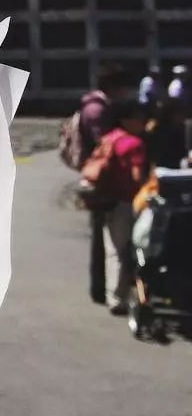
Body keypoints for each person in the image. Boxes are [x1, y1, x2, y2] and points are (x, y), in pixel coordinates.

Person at [79, 67, 136, 305]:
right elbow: (102, 146)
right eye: (124, 88)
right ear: (113, 87)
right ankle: (101, 288)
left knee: (106, 237)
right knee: (105, 239)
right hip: (102, 180)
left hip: (105, 178)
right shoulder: (97, 110)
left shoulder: (99, 106)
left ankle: (104, 287)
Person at [87, 99, 149, 315]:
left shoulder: (109, 138)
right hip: (127, 202)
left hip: (106, 200)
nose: (143, 122)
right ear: (127, 120)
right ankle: (120, 297)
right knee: (126, 250)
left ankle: (112, 296)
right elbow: (137, 176)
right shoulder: (134, 143)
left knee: (112, 250)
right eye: (139, 118)